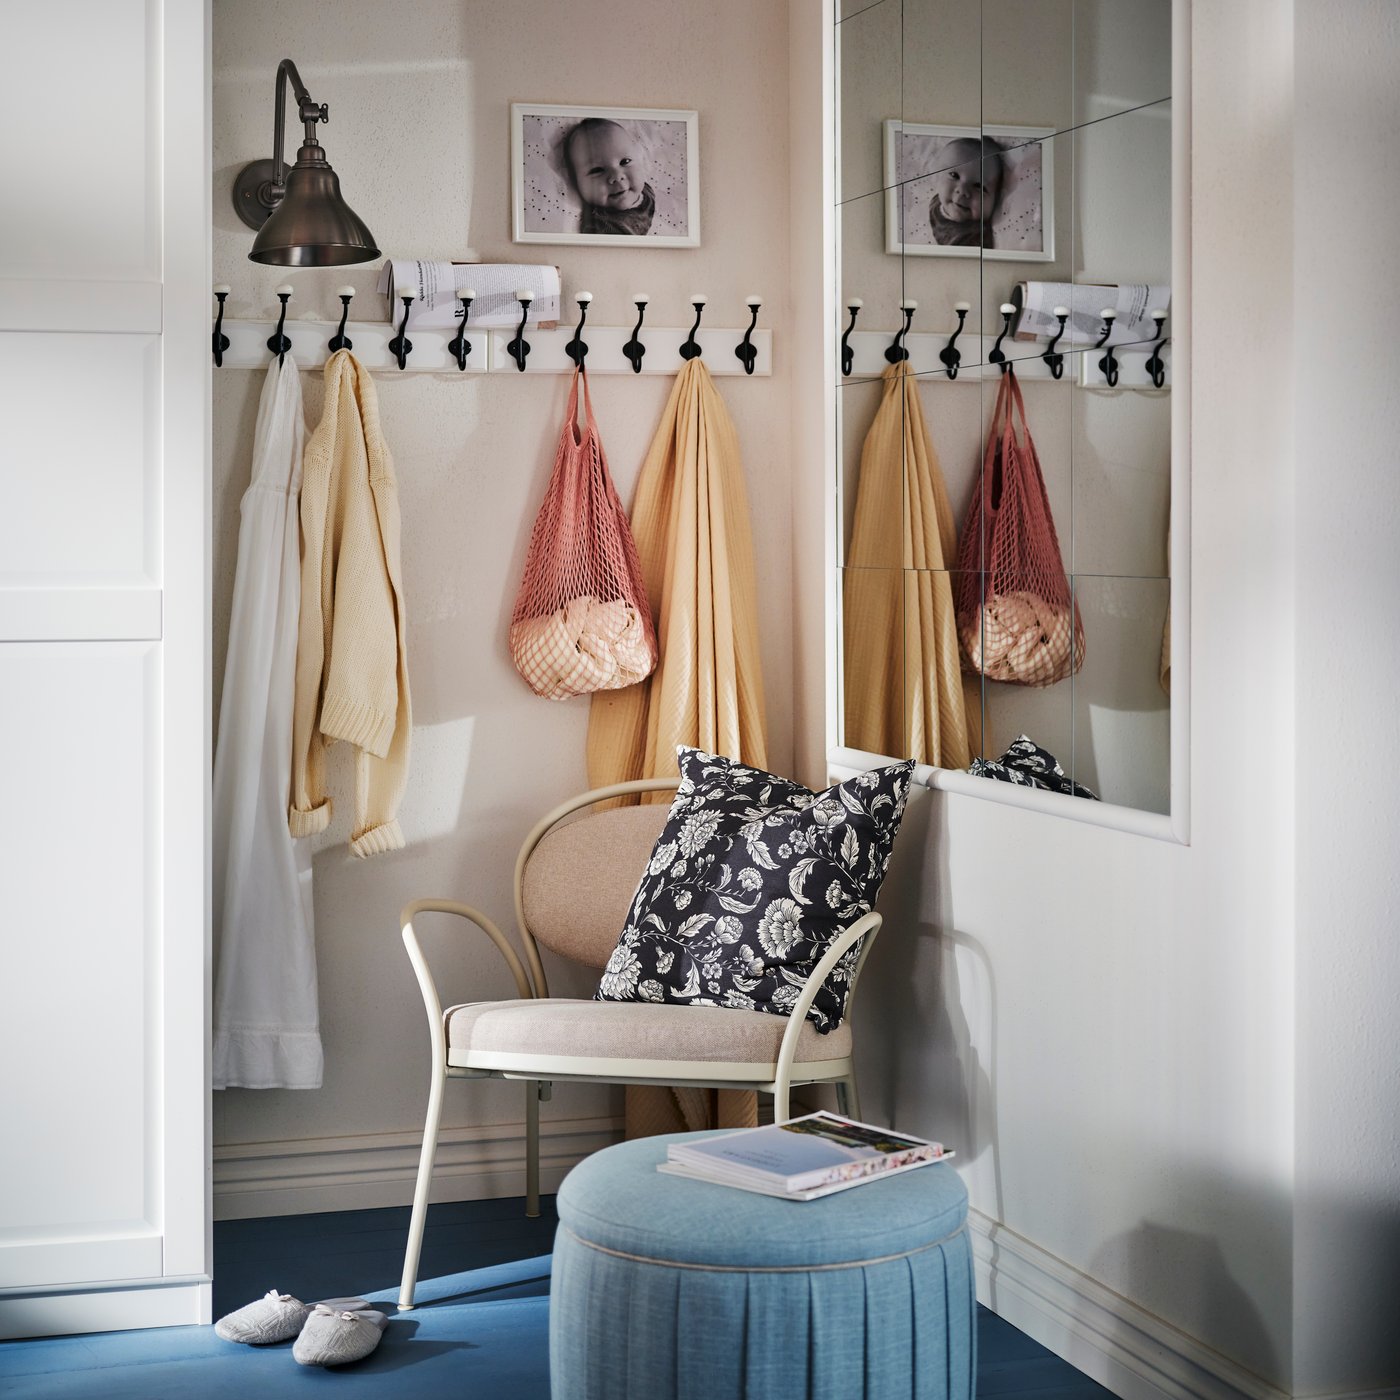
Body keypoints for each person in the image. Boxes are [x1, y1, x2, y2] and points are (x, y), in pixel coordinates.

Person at [562, 117, 655, 236]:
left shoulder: (646, 191)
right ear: (575, 181)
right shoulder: (599, 227)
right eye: (597, 170)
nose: (617, 176)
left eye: (625, 161)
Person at [927, 136, 1004, 248]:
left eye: (978, 186)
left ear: (996, 199)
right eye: (954, 175)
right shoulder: (936, 202)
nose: (962, 191)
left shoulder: (976, 240)